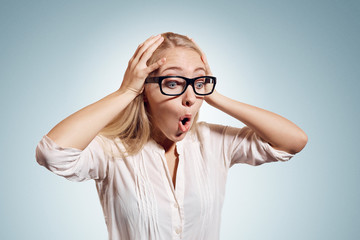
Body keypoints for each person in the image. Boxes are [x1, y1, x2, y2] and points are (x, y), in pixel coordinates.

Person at [36, 32, 307, 240]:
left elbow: (293, 141)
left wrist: (213, 95)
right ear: (145, 90)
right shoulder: (112, 151)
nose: (189, 98)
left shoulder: (215, 143)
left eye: (198, 82)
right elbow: (53, 153)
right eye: (174, 83)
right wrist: (125, 92)